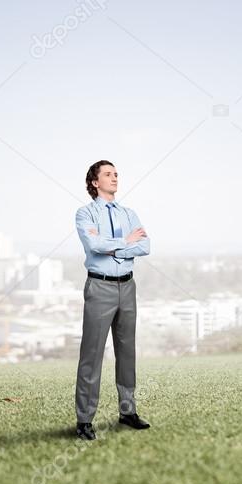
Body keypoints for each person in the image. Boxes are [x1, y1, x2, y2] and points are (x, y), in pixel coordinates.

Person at [73, 160, 151, 440]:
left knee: (127, 352)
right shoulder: (85, 214)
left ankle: (127, 411)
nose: (114, 177)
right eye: (108, 174)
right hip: (100, 287)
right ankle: (84, 420)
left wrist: (116, 247)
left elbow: (146, 246)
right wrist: (126, 244)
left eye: (116, 173)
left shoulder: (129, 213)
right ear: (95, 182)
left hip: (127, 287)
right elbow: (94, 245)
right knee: (91, 355)